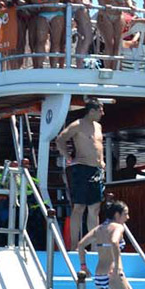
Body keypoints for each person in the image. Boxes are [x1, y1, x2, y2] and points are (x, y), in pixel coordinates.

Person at [54, 99, 105, 249]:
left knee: (95, 208)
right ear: (92, 111)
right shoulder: (77, 125)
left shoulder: (98, 126)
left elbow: (97, 147)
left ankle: (94, 246)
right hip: (81, 168)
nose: (103, 113)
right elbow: (60, 139)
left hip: (96, 170)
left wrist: (101, 163)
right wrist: (69, 157)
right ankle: (75, 245)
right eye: (100, 110)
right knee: (79, 207)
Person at [96, 0, 133, 65]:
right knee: (109, 43)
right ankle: (108, 67)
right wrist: (105, 7)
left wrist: (130, 5)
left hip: (118, 15)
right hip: (105, 14)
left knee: (117, 43)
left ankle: (114, 68)